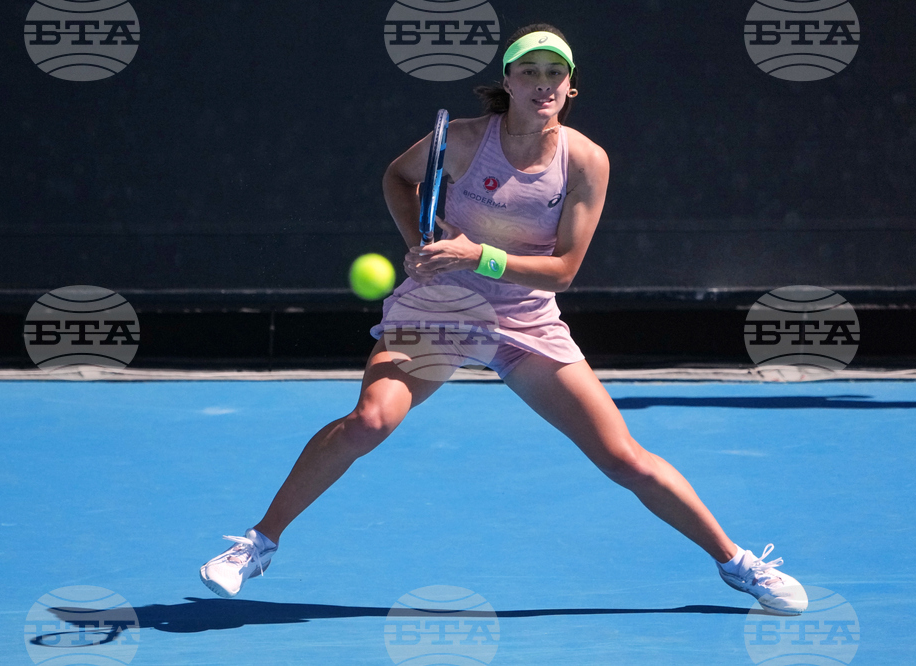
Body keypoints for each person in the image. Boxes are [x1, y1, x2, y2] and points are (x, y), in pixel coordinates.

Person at [199, 24, 808, 616]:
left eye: (555, 74)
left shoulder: (586, 161)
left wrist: (477, 254)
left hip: (525, 321)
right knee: (369, 421)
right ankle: (258, 543)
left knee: (622, 458)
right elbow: (398, 177)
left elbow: (563, 271)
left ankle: (737, 562)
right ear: (509, 83)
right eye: (529, 73)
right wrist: (422, 244)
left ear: (570, 88)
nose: (543, 84)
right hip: (436, 308)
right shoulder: (463, 140)